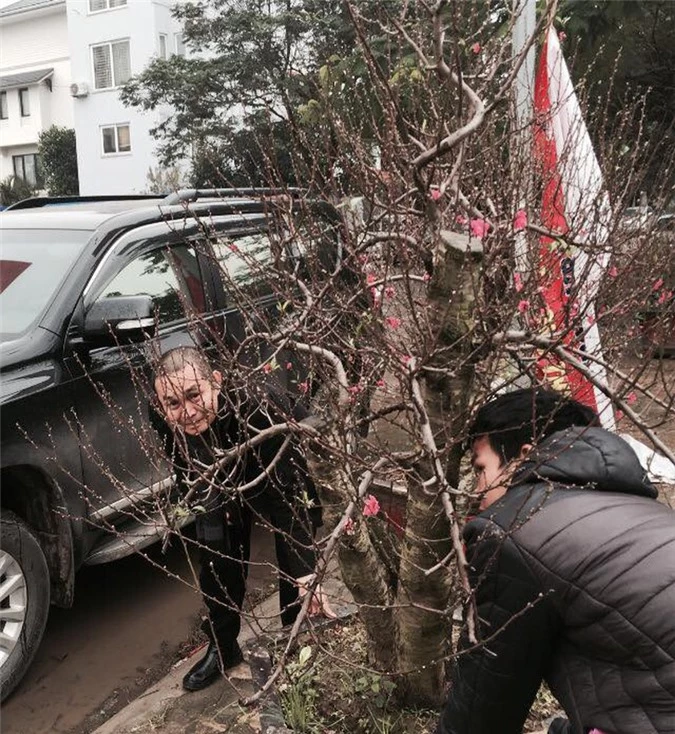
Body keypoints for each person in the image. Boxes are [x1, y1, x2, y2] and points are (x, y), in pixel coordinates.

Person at [437, 387, 675, 734]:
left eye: (480, 468)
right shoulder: (645, 512)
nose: (476, 491)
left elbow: (479, 716)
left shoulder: (514, 530)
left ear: (523, 456)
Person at [152, 346, 331, 692]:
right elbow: (180, 461)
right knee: (216, 555)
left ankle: (293, 639)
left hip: (277, 460)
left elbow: (289, 502)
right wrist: (204, 494)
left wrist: (307, 572)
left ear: (215, 383)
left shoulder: (259, 407)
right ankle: (223, 646)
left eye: (194, 395)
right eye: (173, 403)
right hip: (214, 467)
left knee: (294, 554)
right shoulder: (162, 412)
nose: (186, 411)